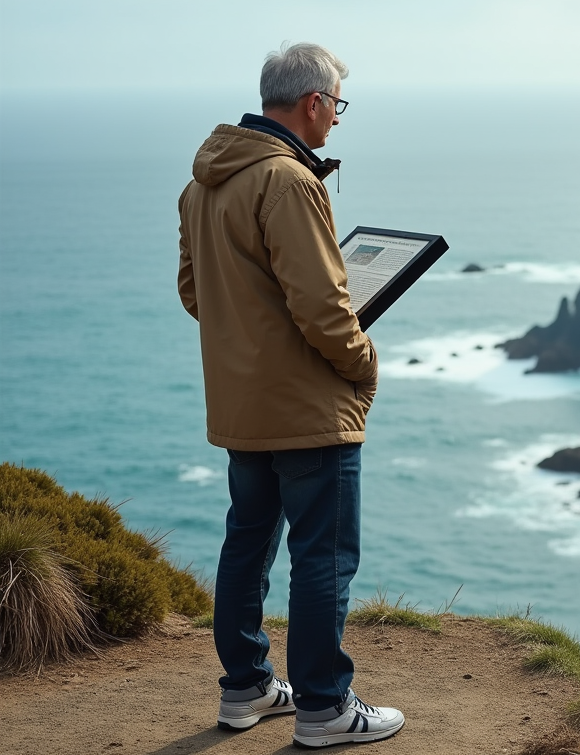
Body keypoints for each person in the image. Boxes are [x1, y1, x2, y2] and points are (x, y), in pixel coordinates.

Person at [177, 42, 404, 748]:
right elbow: (323, 310)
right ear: (313, 103)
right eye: (336, 105)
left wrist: (251, 340)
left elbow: (196, 292)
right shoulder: (289, 180)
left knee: (247, 544)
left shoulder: (204, 183)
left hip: (242, 402)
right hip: (307, 407)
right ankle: (325, 709)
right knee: (324, 556)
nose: (336, 120)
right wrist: (364, 361)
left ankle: (245, 687)